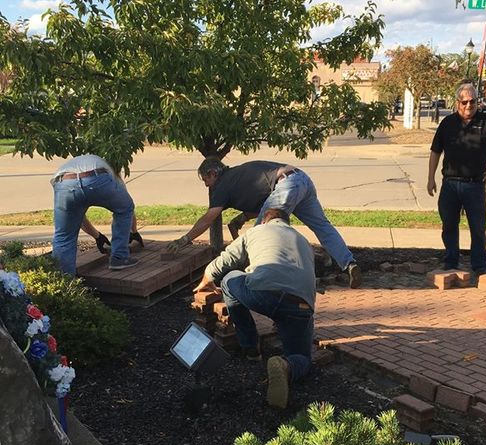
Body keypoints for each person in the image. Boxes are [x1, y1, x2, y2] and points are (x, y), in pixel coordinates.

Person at [166, 157, 362, 288]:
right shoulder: (238, 175)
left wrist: (184, 240)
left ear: (213, 173)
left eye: (205, 179)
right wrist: (242, 217)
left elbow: (210, 217)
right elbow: (267, 204)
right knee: (323, 227)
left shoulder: (222, 185)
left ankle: (260, 280)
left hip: (285, 185)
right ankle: (349, 263)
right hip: (300, 179)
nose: (205, 184)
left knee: (260, 235)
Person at [194, 208, 315, 409]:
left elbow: (226, 260)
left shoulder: (256, 231)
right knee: (302, 357)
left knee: (228, 279)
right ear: (287, 223)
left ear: (265, 221)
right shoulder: (303, 241)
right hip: (300, 305)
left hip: (262, 294)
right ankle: (287, 366)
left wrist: (205, 280)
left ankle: (250, 347)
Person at [427, 83, 486, 275]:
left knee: (477, 227)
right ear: (457, 102)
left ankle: (479, 266)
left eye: (472, 101)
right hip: (450, 184)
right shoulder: (447, 123)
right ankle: (451, 262)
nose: (468, 105)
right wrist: (430, 178)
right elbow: (435, 152)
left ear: (477, 102)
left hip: (475, 185)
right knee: (449, 225)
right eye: (464, 102)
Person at [51, 154, 137, 275]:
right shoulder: (112, 173)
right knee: (126, 207)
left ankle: (63, 282)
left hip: (64, 183)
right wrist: (134, 231)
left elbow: (78, 218)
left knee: (64, 236)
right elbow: (127, 208)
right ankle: (119, 258)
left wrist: (97, 237)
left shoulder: (73, 164)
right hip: (97, 178)